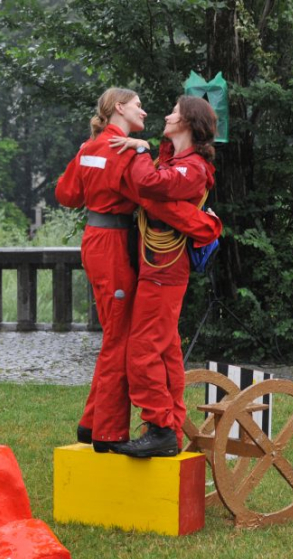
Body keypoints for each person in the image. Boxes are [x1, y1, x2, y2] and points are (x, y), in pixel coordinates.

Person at [55, 88, 220, 453]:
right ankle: (108, 431)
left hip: (96, 240)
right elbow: (153, 200)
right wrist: (206, 226)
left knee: (130, 338)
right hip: (117, 246)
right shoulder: (126, 151)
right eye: (139, 105)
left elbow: (66, 196)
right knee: (123, 340)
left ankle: (93, 423)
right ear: (119, 108)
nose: (149, 113)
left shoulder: (89, 148)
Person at [109, 95, 222, 457]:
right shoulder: (174, 161)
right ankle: (169, 427)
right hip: (155, 267)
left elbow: (150, 187)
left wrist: (141, 152)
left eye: (173, 111)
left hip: (165, 271)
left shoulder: (193, 168)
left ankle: (159, 426)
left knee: (142, 351)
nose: (167, 115)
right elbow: (147, 190)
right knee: (167, 351)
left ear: (188, 122)